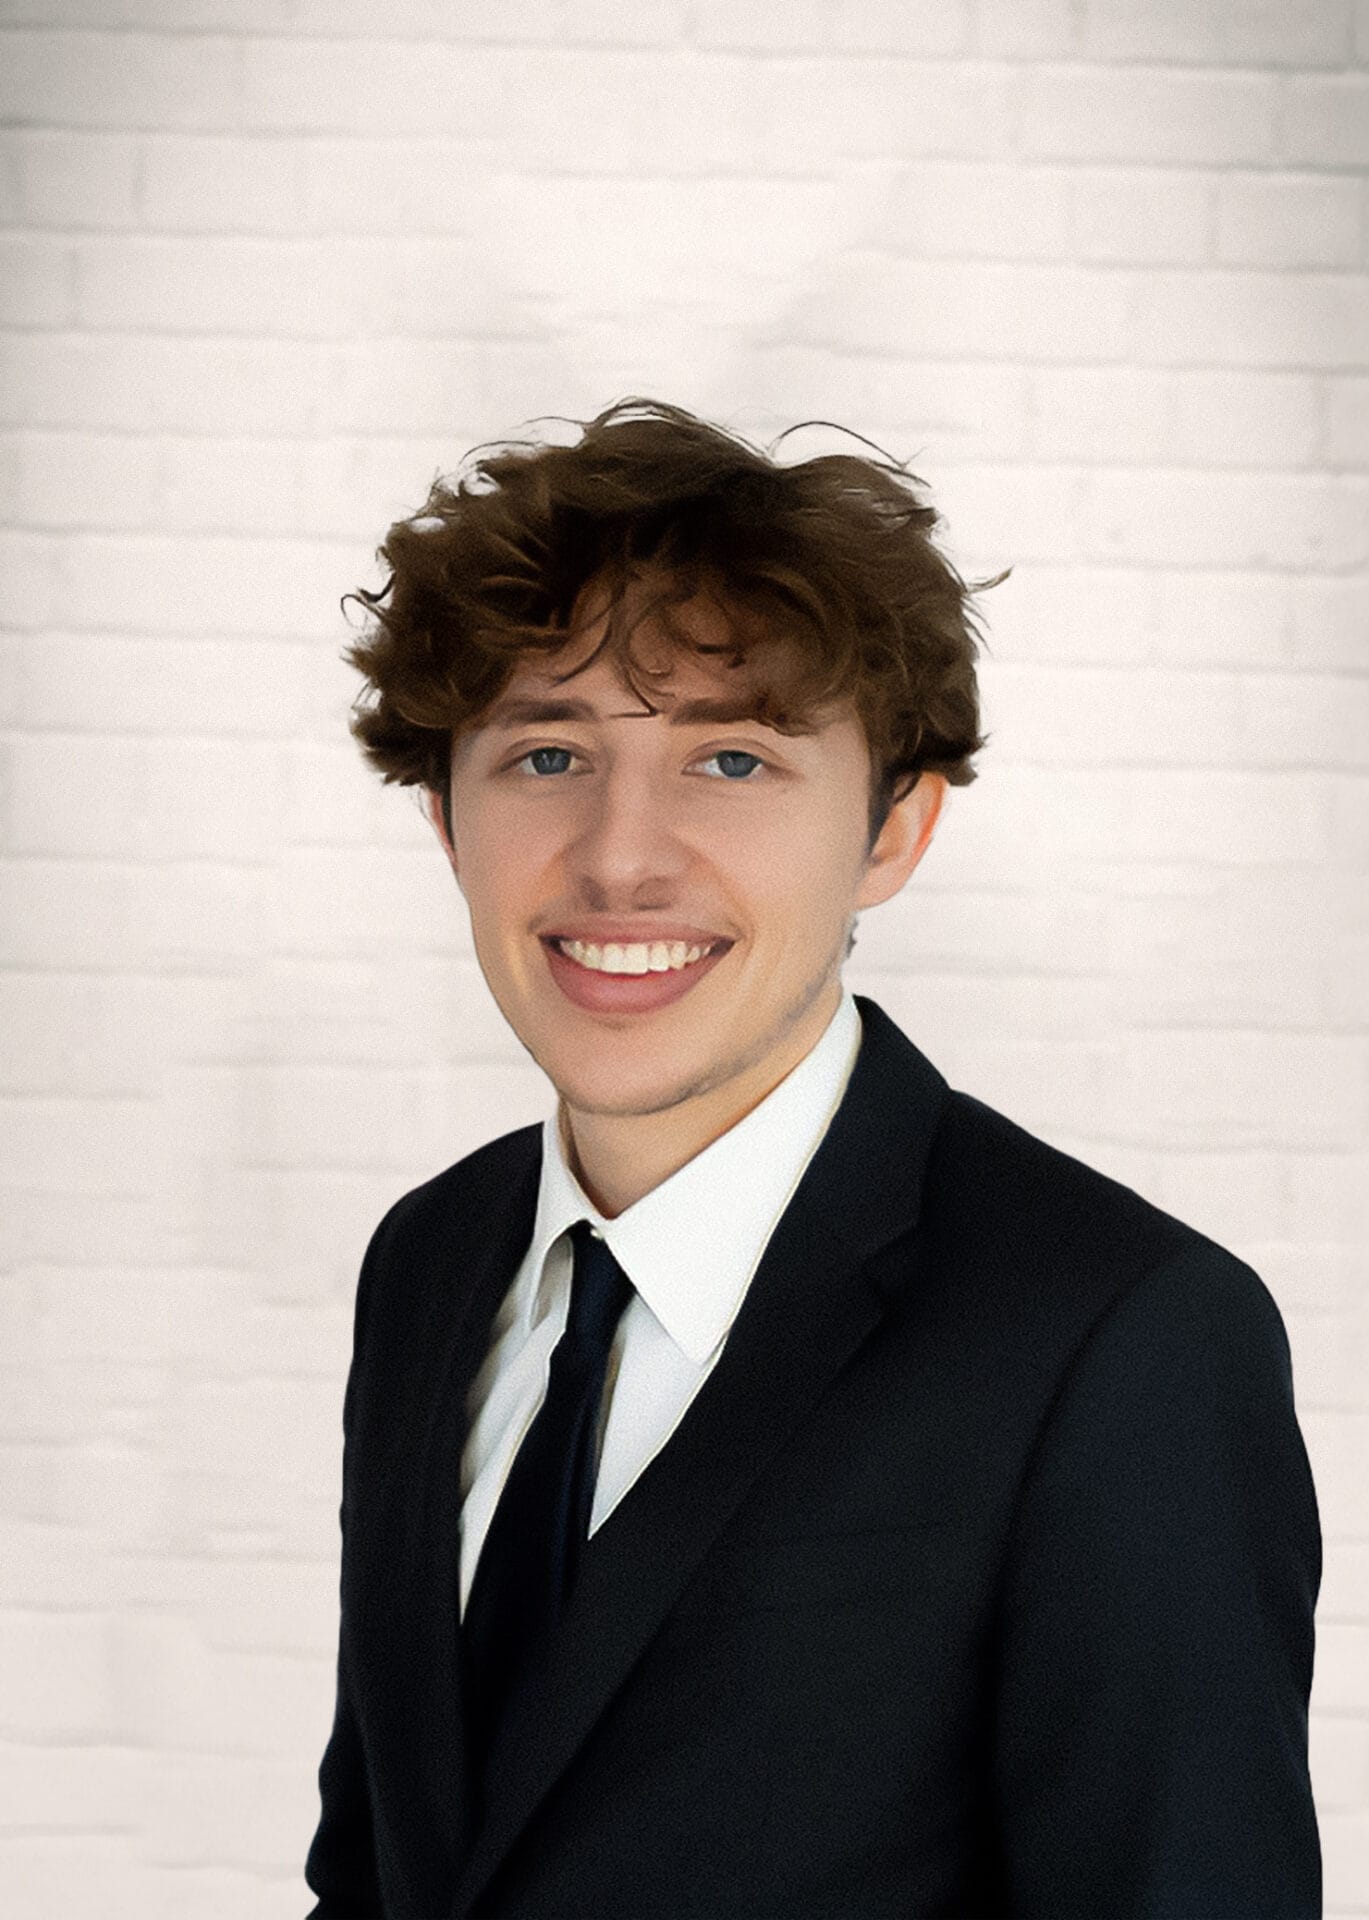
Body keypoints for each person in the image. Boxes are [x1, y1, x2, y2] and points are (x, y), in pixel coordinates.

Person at [304, 398, 1321, 1919]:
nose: (618, 856)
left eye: (730, 761)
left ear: (893, 831)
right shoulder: (432, 1258)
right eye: (543, 755)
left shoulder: (1119, 1341)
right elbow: (382, 1874)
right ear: (447, 819)